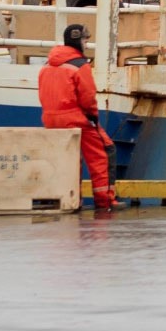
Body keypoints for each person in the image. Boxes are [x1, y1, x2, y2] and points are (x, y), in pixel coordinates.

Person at [37, 24, 118, 210]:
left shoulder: (47, 65)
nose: (86, 44)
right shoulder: (80, 65)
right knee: (104, 151)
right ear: (78, 42)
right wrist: (93, 117)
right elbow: (88, 97)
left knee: (67, 160)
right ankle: (105, 200)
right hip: (75, 119)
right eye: (85, 40)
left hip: (50, 120)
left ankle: (70, 200)